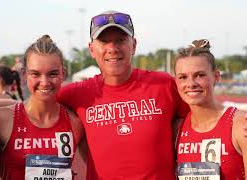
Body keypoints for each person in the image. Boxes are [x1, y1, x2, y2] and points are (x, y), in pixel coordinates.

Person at [57, 10, 189, 179]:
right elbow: (38, 106)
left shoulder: (164, 84)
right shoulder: (75, 93)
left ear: (133, 45)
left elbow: (202, 118)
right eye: (104, 41)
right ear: (91, 49)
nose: (112, 49)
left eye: (120, 40)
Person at [0, 35, 84, 180]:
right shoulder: (4, 119)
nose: (44, 82)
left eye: (53, 74)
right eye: (35, 74)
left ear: (63, 74)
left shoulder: (75, 123)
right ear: (24, 75)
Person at [175, 39, 246, 179]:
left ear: (216, 77)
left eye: (200, 75)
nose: (191, 84)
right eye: (183, 77)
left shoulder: (240, 125)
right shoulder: (177, 129)